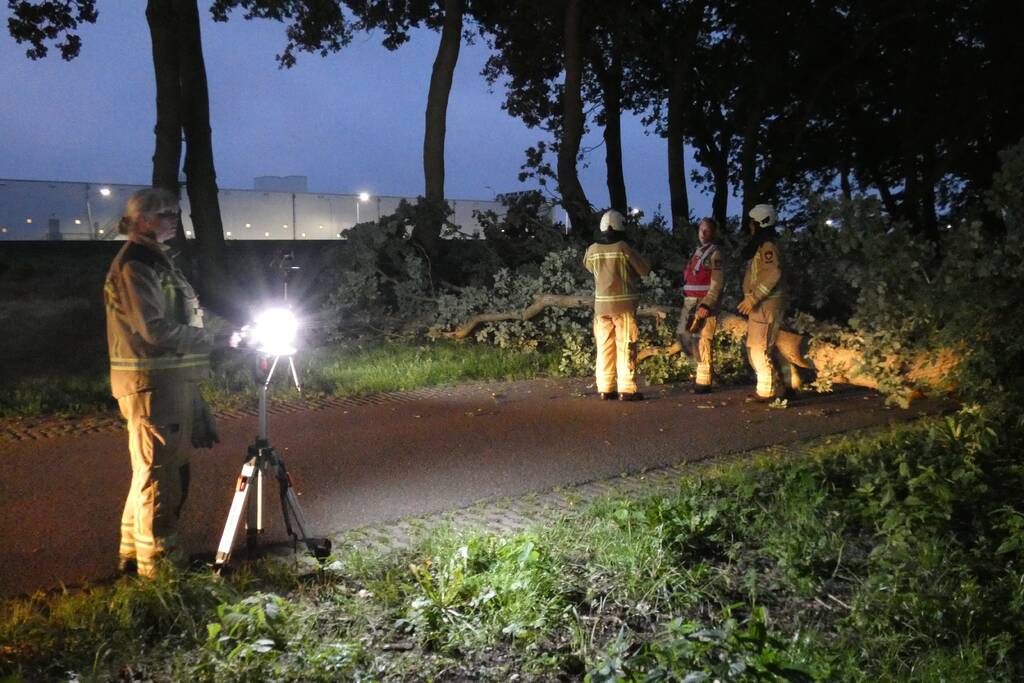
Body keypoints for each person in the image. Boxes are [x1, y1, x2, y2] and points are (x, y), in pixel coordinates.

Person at [104, 187, 237, 578]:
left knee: (152, 472)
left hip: (167, 382)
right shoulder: (137, 263)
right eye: (165, 214)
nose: (173, 219)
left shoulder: (158, 261)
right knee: (162, 477)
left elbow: (181, 319)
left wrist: (228, 331)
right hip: (153, 385)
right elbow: (156, 329)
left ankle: (133, 558)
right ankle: (161, 571)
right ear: (142, 220)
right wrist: (219, 339)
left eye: (175, 213)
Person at [583, 209, 652, 401]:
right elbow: (644, 270)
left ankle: (605, 388)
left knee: (604, 347)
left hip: (601, 308)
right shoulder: (623, 247)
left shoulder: (592, 250)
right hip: (624, 308)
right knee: (625, 346)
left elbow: (588, 267)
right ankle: (627, 389)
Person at [737, 203, 788, 401]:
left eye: (752, 223)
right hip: (759, 305)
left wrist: (754, 297)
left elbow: (774, 273)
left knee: (760, 347)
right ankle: (773, 387)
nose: (749, 227)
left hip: (766, 305)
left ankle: (767, 392)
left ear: (759, 223)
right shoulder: (761, 245)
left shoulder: (767, 246)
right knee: (756, 347)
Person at [675, 217, 725, 393]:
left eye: (707, 230)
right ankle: (703, 371)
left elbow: (717, 283)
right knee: (684, 336)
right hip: (689, 302)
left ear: (713, 233)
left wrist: (708, 304)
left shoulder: (714, 254)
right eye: (701, 230)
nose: (703, 234)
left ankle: (703, 382)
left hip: (703, 303)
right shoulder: (697, 252)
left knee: (702, 340)